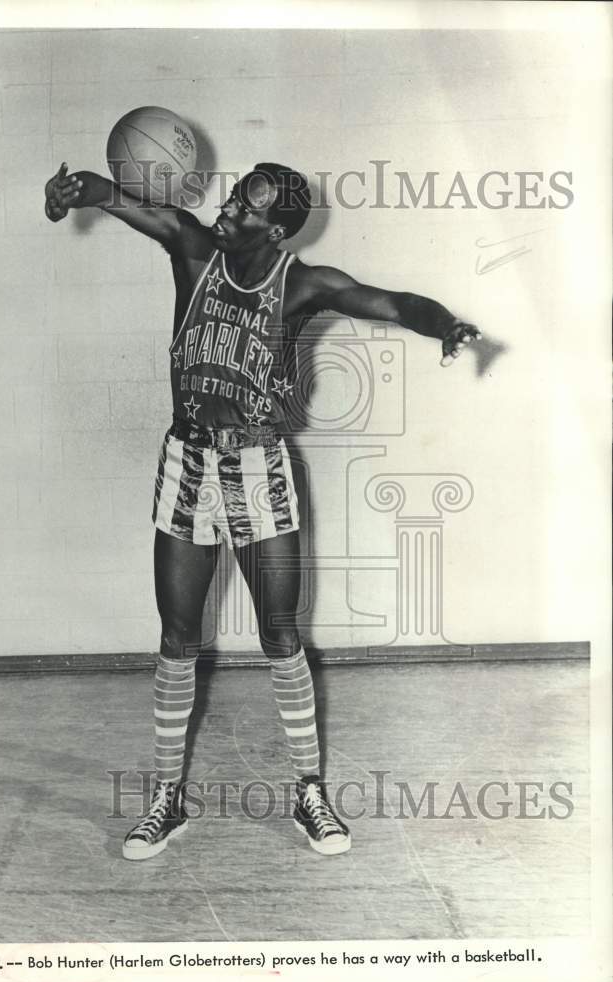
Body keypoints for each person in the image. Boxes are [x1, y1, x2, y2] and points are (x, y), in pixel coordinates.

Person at [43, 160, 481, 861]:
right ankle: (166, 799)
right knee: (176, 637)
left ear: (274, 228)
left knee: (280, 636)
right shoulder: (194, 253)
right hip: (187, 462)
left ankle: (308, 791)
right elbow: (129, 203)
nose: (226, 209)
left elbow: (393, 303)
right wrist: (79, 191)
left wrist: (447, 325)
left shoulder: (302, 285)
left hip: (259, 467)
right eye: (234, 196)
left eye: (244, 206)